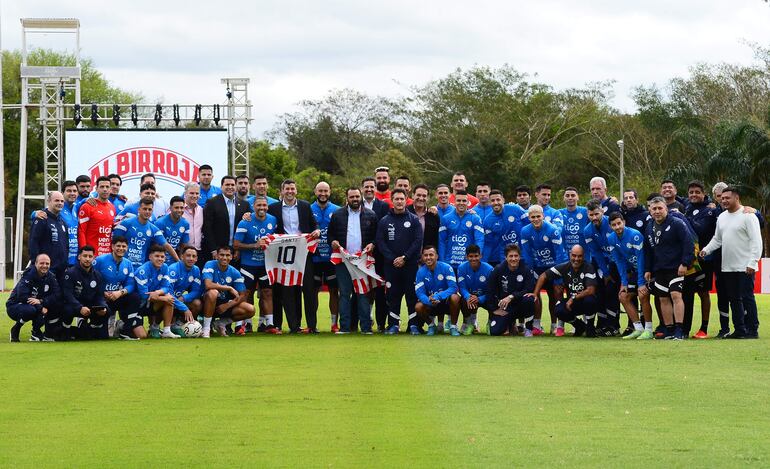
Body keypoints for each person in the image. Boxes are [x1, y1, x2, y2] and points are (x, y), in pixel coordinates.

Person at [700, 187, 762, 339]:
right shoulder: (721, 217)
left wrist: (753, 262)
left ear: (737, 198)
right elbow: (717, 239)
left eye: (728, 198)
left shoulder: (748, 215)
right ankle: (739, 329)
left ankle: (752, 330)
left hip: (745, 266)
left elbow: (756, 241)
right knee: (734, 299)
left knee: (747, 297)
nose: (724, 200)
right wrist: (706, 250)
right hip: (727, 266)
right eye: (722, 198)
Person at [267, 179, 320, 333]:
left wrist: (317, 231)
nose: (290, 192)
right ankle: (294, 326)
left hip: (304, 253)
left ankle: (312, 326)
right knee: (288, 290)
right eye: (287, 189)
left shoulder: (305, 206)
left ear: (296, 191)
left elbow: (314, 224)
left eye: (292, 189)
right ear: (281, 191)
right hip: (284, 255)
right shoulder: (273, 208)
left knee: (309, 290)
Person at [328, 187, 378, 334]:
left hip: (362, 261)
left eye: (357, 196)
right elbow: (330, 235)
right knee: (344, 293)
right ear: (347, 198)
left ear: (361, 196)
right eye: (352, 197)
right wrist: (333, 242)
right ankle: (345, 327)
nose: (355, 199)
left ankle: (366, 328)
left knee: (363, 293)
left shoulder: (371, 214)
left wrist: (373, 244)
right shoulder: (337, 215)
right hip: (344, 260)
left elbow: (377, 236)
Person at [643, 197, 695, 340]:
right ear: (650, 211)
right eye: (654, 209)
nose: (657, 211)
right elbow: (647, 250)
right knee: (663, 299)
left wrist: (685, 263)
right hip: (659, 269)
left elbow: (688, 243)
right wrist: (647, 269)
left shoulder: (677, 223)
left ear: (666, 209)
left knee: (676, 295)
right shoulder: (649, 227)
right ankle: (669, 329)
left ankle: (679, 329)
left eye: (660, 208)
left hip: (676, 268)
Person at [376, 189, 424, 334]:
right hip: (391, 266)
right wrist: (392, 258)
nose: (399, 201)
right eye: (396, 199)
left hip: (410, 265)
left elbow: (417, 241)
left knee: (412, 295)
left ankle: (414, 325)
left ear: (406, 199)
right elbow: (380, 242)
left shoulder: (414, 220)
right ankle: (393, 325)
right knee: (392, 296)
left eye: (401, 199)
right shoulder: (385, 221)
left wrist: (405, 257)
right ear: (392, 200)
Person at [234, 196, 279, 334]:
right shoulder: (245, 222)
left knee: (267, 292)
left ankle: (269, 324)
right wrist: (255, 245)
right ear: (253, 206)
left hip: (266, 264)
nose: (262, 208)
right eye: (259, 205)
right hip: (248, 265)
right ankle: (242, 325)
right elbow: (236, 244)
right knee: (246, 293)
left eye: (264, 205)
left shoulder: (273, 220)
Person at [519, 205, 567, 335]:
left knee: (556, 293)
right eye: (533, 217)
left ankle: (557, 325)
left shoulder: (553, 230)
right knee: (535, 293)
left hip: (554, 267)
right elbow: (527, 255)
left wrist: (558, 276)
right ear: (529, 217)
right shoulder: (525, 231)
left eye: (538, 216)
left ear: (543, 216)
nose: (535, 219)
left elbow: (560, 255)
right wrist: (530, 272)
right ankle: (536, 325)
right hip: (537, 267)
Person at [533, 245, 599, 338]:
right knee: (558, 310)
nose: (576, 259)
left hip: (584, 302)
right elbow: (543, 276)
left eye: (579, 256)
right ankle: (579, 326)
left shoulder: (588, 267)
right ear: (570, 255)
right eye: (574, 255)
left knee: (590, 300)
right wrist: (535, 294)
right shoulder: (564, 267)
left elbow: (591, 290)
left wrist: (573, 298)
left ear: (583, 256)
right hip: (572, 304)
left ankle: (590, 327)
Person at [607, 213, 653, 340]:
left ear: (624, 222)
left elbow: (641, 260)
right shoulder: (611, 238)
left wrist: (641, 283)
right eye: (614, 225)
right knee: (623, 296)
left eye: (619, 223)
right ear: (610, 226)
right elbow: (619, 262)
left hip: (646, 270)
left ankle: (649, 330)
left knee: (643, 294)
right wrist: (624, 283)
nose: (617, 227)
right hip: (634, 271)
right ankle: (638, 329)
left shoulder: (635, 235)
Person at [683, 180, 718, 338]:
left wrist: (684, 220)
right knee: (686, 294)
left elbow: (701, 230)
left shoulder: (710, 210)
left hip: (705, 259)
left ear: (704, 194)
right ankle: (683, 327)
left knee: (703, 292)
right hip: (689, 259)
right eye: (691, 192)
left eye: (697, 192)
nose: (694, 195)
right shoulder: (688, 208)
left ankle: (703, 328)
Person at [93, 236, 143, 340]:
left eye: (124, 246)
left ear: (127, 248)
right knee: (102, 337)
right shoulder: (100, 260)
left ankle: (125, 331)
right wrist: (102, 293)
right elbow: (91, 280)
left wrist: (120, 293)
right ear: (112, 247)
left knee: (135, 297)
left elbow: (131, 284)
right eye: (118, 246)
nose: (121, 248)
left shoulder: (128, 264)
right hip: (101, 299)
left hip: (117, 297)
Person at [583, 199, 620, 336]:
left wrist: (610, 270)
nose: (594, 218)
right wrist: (605, 273)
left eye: (596, 214)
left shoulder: (611, 225)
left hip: (617, 263)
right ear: (588, 214)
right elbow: (596, 253)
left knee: (612, 292)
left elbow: (616, 250)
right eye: (591, 215)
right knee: (600, 292)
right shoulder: (587, 231)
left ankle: (614, 325)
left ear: (602, 211)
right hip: (600, 264)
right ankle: (602, 324)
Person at [201, 246, 255, 338]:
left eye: (227, 255)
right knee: (213, 293)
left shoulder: (235, 272)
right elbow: (208, 285)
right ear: (217, 256)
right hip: (205, 303)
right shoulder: (210, 264)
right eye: (222, 255)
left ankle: (220, 323)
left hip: (223, 305)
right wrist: (229, 288)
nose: (224, 258)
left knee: (250, 309)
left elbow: (242, 295)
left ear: (231, 257)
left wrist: (228, 305)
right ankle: (206, 329)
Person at [486, 244, 537, 336]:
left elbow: (529, 289)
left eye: (516, 256)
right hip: (506, 307)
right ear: (506, 257)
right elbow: (490, 289)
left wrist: (511, 296)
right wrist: (494, 309)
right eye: (511, 256)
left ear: (520, 257)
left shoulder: (526, 269)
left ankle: (528, 328)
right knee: (495, 331)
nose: (513, 259)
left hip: (521, 305)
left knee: (529, 299)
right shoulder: (498, 269)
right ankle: (510, 324)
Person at [113, 198, 179, 268]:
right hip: (123, 265)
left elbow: (166, 245)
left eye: (150, 209)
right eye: (145, 209)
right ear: (139, 210)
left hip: (140, 268)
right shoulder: (126, 223)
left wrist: (179, 262)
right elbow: (114, 243)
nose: (147, 212)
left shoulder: (154, 229)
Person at [7, 254, 60, 342]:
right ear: (35, 264)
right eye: (41, 263)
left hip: (37, 305)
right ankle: (16, 329)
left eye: (47, 263)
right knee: (31, 310)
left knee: (57, 306)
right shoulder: (28, 275)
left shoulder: (50, 276)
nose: (44, 266)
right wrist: (40, 307)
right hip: (15, 306)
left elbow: (57, 294)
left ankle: (41, 334)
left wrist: (41, 301)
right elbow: (22, 296)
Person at [60, 246, 109, 340]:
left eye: (90, 256)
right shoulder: (70, 273)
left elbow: (99, 296)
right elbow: (67, 295)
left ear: (94, 258)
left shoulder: (97, 275)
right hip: (74, 306)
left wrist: (102, 306)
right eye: (85, 256)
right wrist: (80, 307)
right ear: (79, 257)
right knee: (67, 310)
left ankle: (91, 330)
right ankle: (65, 331)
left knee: (106, 310)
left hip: (90, 306)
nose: (87, 259)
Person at [310, 182, 341, 331]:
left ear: (330, 192)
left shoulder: (337, 210)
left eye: (326, 191)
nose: (323, 193)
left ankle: (334, 324)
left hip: (332, 258)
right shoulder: (308, 209)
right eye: (320, 191)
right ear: (315, 192)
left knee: (334, 291)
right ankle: (312, 325)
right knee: (313, 291)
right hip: (314, 258)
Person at [134, 244, 180, 338]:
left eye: (162, 256)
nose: (160, 259)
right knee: (142, 336)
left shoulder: (165, 267)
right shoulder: (142, 270)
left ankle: (166, 331)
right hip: (137, 306)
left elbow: (166, 287)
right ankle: (122, 325)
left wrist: (157, 293)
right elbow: (144, 295)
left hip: (151, 302)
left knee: (169, 298)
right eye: (157, 256)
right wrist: (162, 298)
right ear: (150, 257)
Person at [362, 176, 390, 330]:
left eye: (371, 187)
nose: (369, 189)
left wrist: (375, 244)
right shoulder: (354, 204)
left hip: (379, 255)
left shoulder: (384, 207)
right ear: (362, 189)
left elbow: (385, 230)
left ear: (375, 189)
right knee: (360, 290)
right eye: (366, 187)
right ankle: (360, 323)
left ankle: (380, 324)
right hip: (360, 255)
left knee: (379, 291)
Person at [414, 246, 461, 336]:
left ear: (436, 256)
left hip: (446, 303)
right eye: (425, 255)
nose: (428, 257)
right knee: (418, 307)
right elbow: (420, 292)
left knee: (455, 298)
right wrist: (429, 301)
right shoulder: (420, 272)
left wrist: (438, 296)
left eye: (431, 255)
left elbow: (453, 287)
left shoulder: (446, 267)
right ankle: (431, 326)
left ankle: (453, 326)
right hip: (432, 304)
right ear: (422, 257)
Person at [202, 175, 250, 262]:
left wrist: (238, 249)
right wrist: (213, 249)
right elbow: (207, 228)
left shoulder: (244, 205)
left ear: (236, 186)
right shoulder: (212, 202)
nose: (230, 187)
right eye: (227, 185)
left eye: (232, 185)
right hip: (217, 251)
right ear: (221, 187)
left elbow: (245, 229)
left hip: (235, 252)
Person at [439, 190, 485, 274]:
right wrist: (442, 261)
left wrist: (476, 258)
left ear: (468, 202)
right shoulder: (446, 218)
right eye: (458, 200)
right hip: (450, 263)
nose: (461, 203)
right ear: (454, 202)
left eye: (464, 201)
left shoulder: (475, 218)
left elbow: (480, 240)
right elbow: (441, 241)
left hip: (468, 263)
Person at [29, 191, 69, 279]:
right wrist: (35, 264)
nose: (60, 203)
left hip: (61, 270)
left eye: (62, 201)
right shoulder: (41, 218)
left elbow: (66, 245)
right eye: (57, 200)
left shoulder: (62, 223)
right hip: (46, 270)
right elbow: (33, 242)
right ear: (49, 201)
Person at [482, 190, 526, 266]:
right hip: (505, 258)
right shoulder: (487, 220)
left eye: (498, 200)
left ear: (503, 200)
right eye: (492, 200)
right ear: (489, 202)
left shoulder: (515, 209)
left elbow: (530, 222)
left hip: (523, 253)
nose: (496, 203)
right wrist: (483, 263)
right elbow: (488, 244)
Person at [457, 245, 493, 335]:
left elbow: (492, 290)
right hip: (470, 298)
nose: (473, 259)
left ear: (480, 256)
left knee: (494, 299)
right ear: (466, 257)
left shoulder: (489, 269)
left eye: (476, 256)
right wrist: (468, 296)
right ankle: (470, 324)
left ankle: (490, 323)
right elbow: (462, 287)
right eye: (471, 256)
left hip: (485, 298)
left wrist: (480, 299)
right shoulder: (461, 268)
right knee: (462, 300)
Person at [167, 245, 203, 335]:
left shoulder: (196, 270)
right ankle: (156, 327)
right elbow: (168, 292)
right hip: (167, 299)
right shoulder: (173, 269)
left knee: (197, 304)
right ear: (181, 256)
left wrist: (183, 298)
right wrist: (184, 308)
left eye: (193, 256)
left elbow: (196, 291)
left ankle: (179, 324)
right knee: (168, 300)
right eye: (188, 255)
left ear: (196, 259)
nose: (191, 258)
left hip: (179, 300)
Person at [78, 176, 116, 256]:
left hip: (107, 255)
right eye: (102, 187)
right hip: (91, 255)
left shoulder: (112, 207)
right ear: (96, 189)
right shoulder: (87, 206)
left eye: (107, 187)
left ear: (110, 189)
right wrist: (85, 252)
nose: (105, 189)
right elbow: (81, 231)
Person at [155, 196, 191, 265]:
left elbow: (183, 245)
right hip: (160, 260)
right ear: (170, 208)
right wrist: (178, 261)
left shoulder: (185, 224)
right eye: (176, 207)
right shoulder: (160, 223)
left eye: (181, 208)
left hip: (174, 261)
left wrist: (181, 260)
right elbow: (157, 245)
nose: (179, 210)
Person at [408, 184, 440, 249]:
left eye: (424, 196)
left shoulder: (433, 216)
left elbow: (435, 240)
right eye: (418, 195)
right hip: (406, 256)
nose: (421, 198)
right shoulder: (405, 212)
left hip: (426, 256)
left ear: (427, 198)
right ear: (413, 195)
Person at [181, 182, 205, 268]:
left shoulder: (201, 210)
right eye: (191, 193)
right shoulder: (178, 210)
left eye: (197, 193)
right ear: (185, 194)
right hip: (182, 252)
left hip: (198, 252)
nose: (194, 196)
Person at [559, 186, 589, 254]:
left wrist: (611, 201)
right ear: (563, 198)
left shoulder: (586, 211)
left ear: (578, 197)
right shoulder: (558, 213)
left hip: (584, 254)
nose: (570, 198)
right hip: (565, 256)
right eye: (567, 196)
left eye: (573, 195)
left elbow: (598, 210)